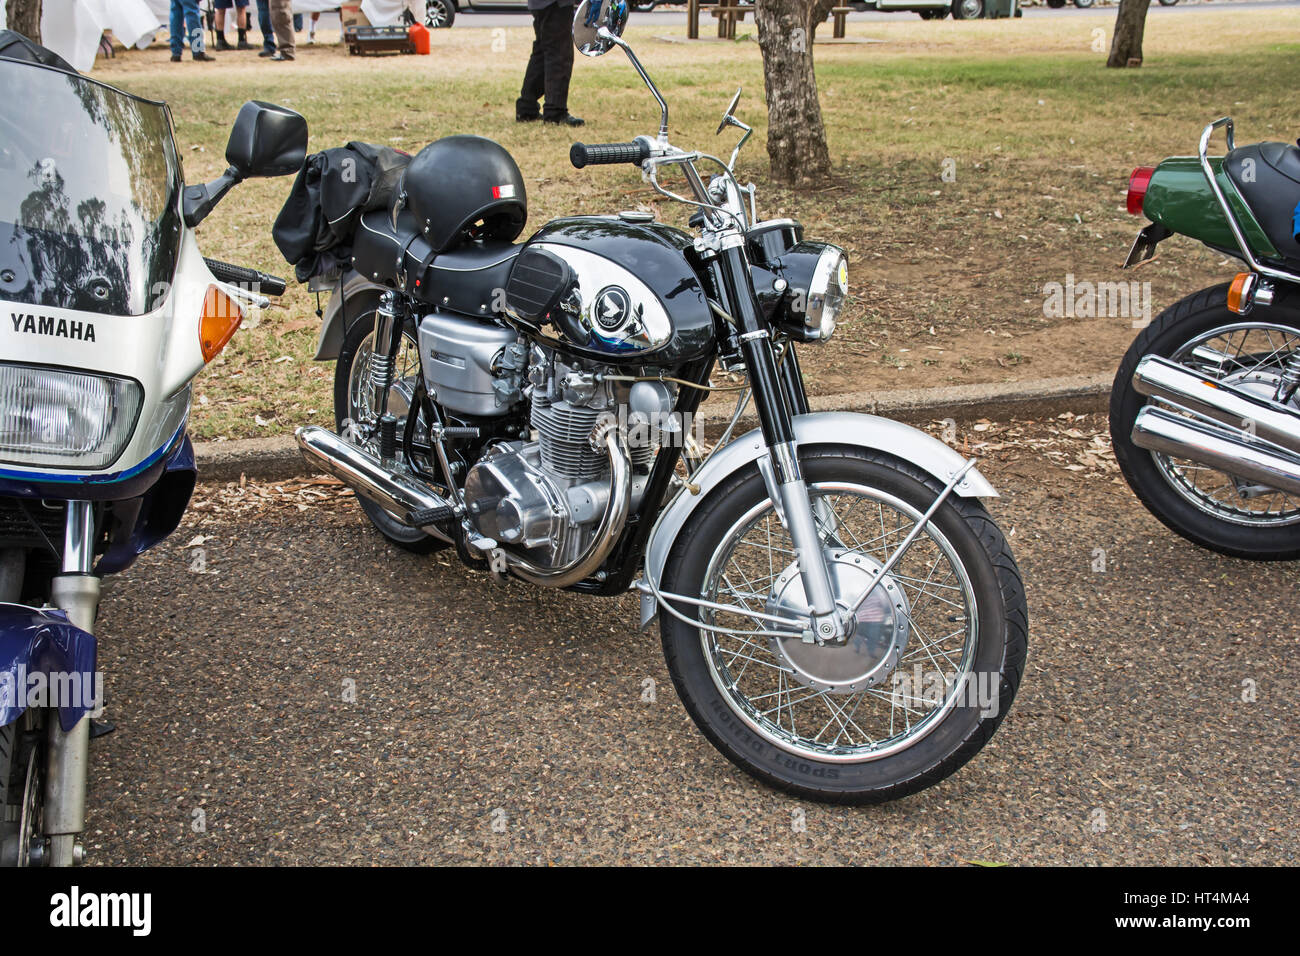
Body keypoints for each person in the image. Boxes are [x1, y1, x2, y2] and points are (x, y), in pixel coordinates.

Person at [516, 0, 583, 127]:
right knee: (559, 55)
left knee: (542, 52)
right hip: (556, 3)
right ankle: (555, 112)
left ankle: (527, 108)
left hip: (541, 4)